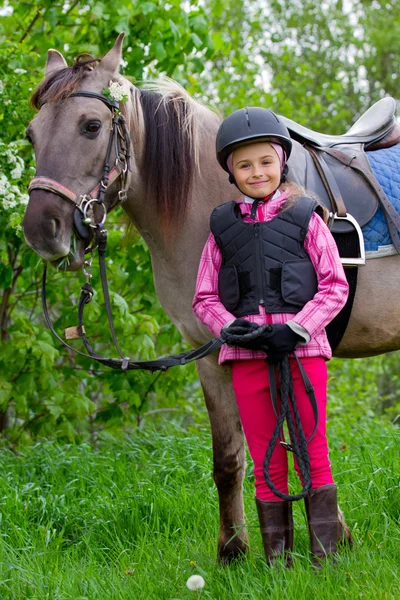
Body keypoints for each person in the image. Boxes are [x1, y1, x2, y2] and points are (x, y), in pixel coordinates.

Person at [192, 107, 352, 567]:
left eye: (265, 161)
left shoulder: (307, 217)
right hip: (246, 357)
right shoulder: (221, 229)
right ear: (231, 172)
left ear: (281, 161)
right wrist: (228, 326)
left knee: (313, 453)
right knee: (265, 458)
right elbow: (204, 296)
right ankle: (276, 564)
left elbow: (334, 285)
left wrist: (298, 327)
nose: (256, 172)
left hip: (303, 353)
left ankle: (325, 561)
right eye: (244, 165)